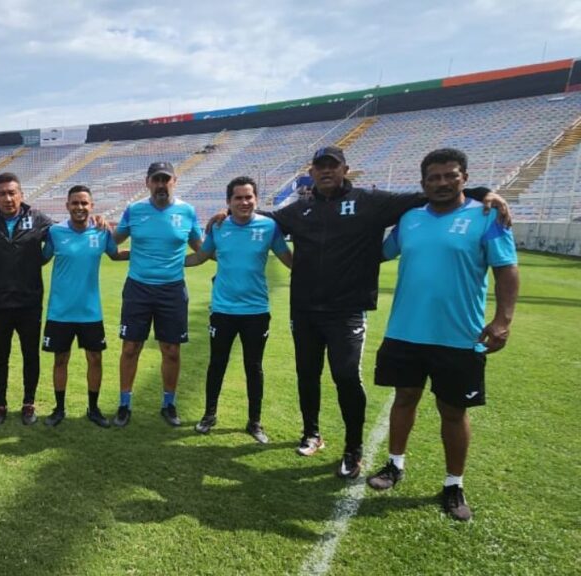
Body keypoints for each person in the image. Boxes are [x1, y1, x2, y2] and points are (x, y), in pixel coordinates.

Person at [214, 145, 509, 480]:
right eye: (320, 167)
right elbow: (256, 216)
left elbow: (430, 194)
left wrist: (482, 193)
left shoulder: (371, 202)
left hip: (348, 311)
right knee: (307, 374)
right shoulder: (299, 210)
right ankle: (311, 433)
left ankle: (352, 448)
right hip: (306, 309)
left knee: (345, 376)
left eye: (333, 166)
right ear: (311, 173)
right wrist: (225, 213)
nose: (326, 171)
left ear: (345, 169)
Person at [366, 148, 518, 521]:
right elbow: (378, 253)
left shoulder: (486, 216)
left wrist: (502, 321)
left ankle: (453, 483)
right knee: (404, 399)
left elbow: (507, 271)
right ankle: (395, 464)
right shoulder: (410, 220)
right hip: (405, 331)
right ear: (423, 183)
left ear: (464, 177)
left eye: (450, 175)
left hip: (459, 336)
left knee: (453, 411)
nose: (442, 183)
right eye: (434, 177)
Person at [185, 176, 292, 443]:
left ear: (256, 199)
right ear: (228, 202)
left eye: (249, 197)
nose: (244, 202)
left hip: (256, 311)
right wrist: (165, 261)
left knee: (253, 367)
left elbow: (288, 259)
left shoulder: (269, 227)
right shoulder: (219, 227)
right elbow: (201, 256)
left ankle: (254, 422)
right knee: (216, 364)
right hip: (222, 310)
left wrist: (323, 269)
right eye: (238, 198)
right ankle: (209, 415)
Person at [112, 161, 203, 427]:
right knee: (130, 347)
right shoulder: (134, 210)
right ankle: (124, 405)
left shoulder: (187, 212)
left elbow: (201, 249)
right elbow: (113, 241)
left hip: (172, 290)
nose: (161, 185)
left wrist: (180, 263)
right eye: (156, 179)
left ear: (175, 181)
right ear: (148, 182)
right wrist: (98, 225)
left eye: (166, 179)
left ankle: (169, 404)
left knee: (171, 350)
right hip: (138, 288)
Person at [41, 185, 129, 428]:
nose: (79, 207)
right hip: (60, 311)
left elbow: (115, 254)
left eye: (84, 204)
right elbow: (41, 258)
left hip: (90, 311)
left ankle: (94, 408)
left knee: (95, 359)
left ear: (91, 206)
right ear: (67, 206)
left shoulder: (101, 232)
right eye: (75, 203)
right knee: (60, 359)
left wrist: (149, 252)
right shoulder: (55, 232)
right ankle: (59, 409)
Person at [0, 172, 53, 427]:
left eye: (12, 193)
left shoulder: (37, 218)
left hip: (29, 303)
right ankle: (0, 404)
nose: (8, 198)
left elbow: (56, 241)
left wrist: (39, 260)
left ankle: (29, 404)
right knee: (0, 357)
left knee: (31, 356)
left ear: (21, 195)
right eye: (2, 193)